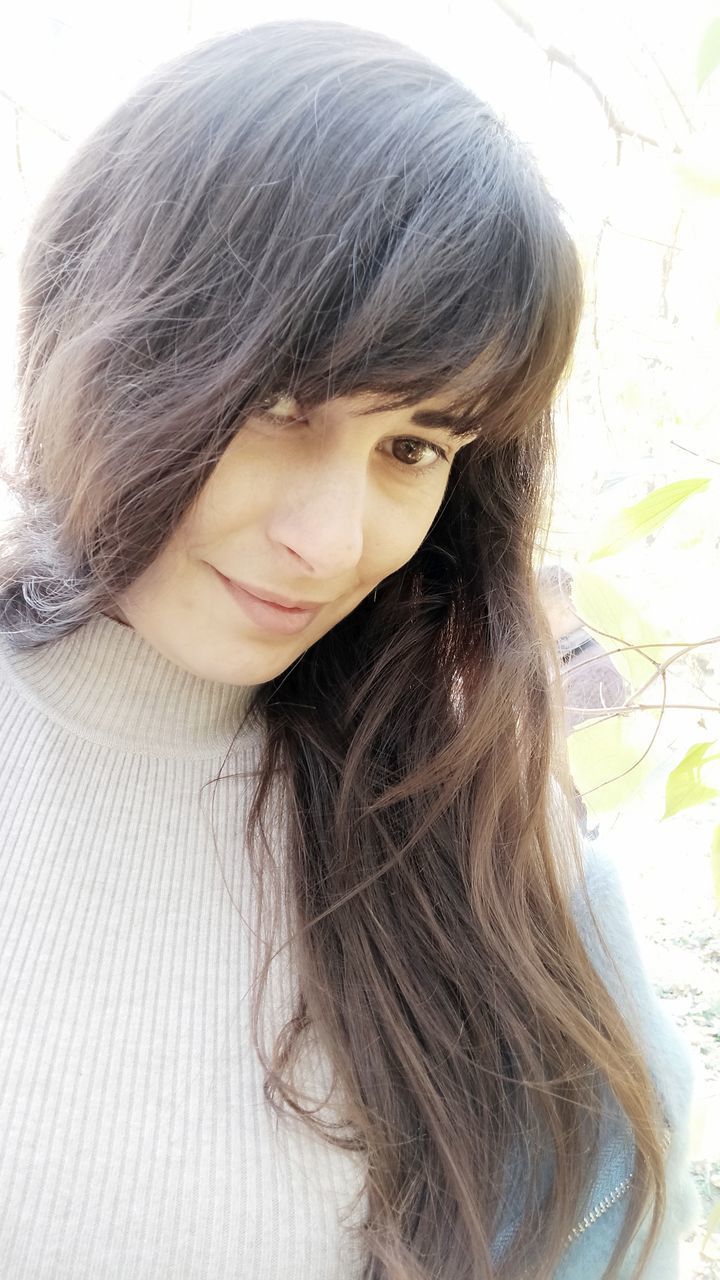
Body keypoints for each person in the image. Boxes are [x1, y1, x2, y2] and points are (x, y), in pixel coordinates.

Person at [0, 20, 698, 1279]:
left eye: (414, 447)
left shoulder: (485, 854)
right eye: (279, 409)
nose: (329, 541)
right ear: (99, 329)